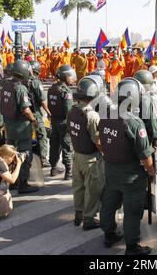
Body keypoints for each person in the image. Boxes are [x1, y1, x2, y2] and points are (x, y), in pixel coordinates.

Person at [98, 79, 155, 255]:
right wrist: (150, 172)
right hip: (131, 176)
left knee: (109, 204)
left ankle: (109, 235)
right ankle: (132, 246)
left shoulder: (105, 116)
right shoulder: (135, 123)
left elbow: (100, 141)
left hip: (111, 171)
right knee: (132, 211)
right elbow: (145, 155)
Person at [67, 76, 105, 231]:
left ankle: (79, 214)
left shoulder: (73, 110)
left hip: (76, 155)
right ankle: (89, 218)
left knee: (78, 186)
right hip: (90, 158)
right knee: (93, 189)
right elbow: (98, 141)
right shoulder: (92, 115)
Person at [0, 60, 39, 194]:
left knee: (10, 155)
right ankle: (23, 183)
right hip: (21, 128)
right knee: (25, 155)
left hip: (9, 127)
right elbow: (26, 109)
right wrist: (34, 120)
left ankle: (12, 182)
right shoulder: (20, 88)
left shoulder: (6, 85)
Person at [48, 65, 76, 180]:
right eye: (70, 76)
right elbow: (68, 111)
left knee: (54, 145)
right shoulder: (66, 91)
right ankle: (68, 171)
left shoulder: (52, 88)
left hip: (54, 121)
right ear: (65, 77)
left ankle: (53, 168)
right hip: (64, 123)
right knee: (67, 146)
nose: (72, 78)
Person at [27, 61, 51, 168]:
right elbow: (42, 100)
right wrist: (48, 112)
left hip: (25, 113)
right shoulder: (35, 82)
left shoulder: (23, 81)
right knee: (42, 135)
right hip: (35, 113)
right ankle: (43, 158)